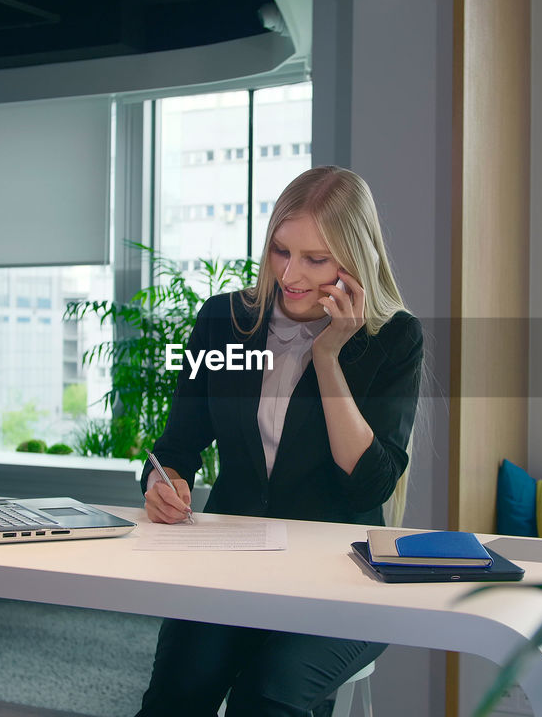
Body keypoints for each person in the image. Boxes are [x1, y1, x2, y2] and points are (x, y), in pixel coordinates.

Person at [134, 166, 424, 717]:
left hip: (344, 575)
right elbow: (176, 447)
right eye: (280, 250)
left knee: (267, 698)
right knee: (174, 699)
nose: (290, 274)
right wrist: (164, 481)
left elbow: (369, 484)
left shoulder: (394, 338)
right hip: (231, 563)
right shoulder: (223, 321)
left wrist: (328, 357)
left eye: (316, 259)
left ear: (354, 262)